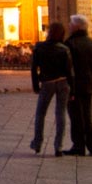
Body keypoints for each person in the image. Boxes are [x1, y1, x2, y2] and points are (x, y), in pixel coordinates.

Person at [29, 24, 70, 155]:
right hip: (63, 82)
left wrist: (35, 85)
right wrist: (72, 89)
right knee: (60, 114)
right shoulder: (64, 49)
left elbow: (34, 68)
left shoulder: (39, 47)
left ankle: (37, 143)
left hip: (47, 83)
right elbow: (70, 71)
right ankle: (58, 147)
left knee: (40, 113)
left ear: (49, 33)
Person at [64, 14, 92, 156]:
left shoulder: (70, 44)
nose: (69, 26)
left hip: (74, 85)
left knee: (75, 116)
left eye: (71, 24)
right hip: (89, 84)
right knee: (87, 115)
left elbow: (67, 66)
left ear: (76, 26)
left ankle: (78, 145)